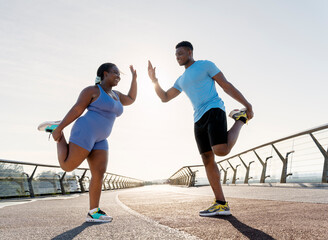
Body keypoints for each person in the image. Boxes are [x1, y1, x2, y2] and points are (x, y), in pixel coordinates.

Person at [148, 41, 253, 217]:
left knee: (220, 151)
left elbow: (225, 85)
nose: (177, 57)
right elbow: (165, 97)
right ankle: (220, 203)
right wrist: (154, 81)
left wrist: (246, 105)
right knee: (207, 159)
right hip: (198, 119)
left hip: (214, 109)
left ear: (190, 52)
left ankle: (240, 120)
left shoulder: (205, 65)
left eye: (180, 53)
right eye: (175, 55)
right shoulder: (180, 80)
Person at [38, 63, 137, 222]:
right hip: (86, 130)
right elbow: (77, 110)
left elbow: (131, 99)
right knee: (67, 166)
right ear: (105, 74)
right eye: (115, 73)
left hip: (101, 139)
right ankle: (58, 134)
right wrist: (61, 128)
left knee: (99, 173)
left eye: (119, 74)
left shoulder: (117, 95)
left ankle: (93, 212)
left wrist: (135, 78)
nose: (118, 76)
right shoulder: (92, 91)